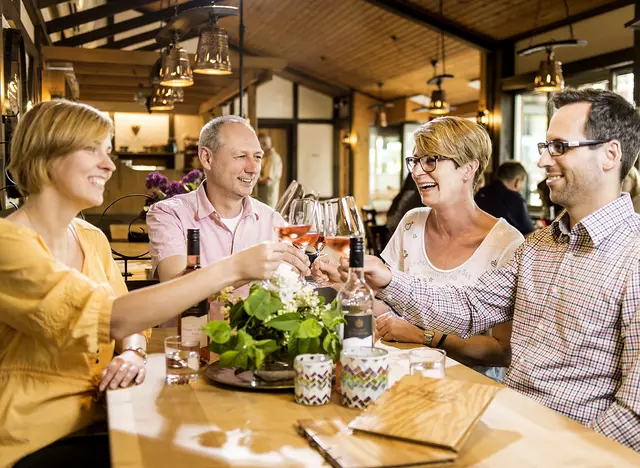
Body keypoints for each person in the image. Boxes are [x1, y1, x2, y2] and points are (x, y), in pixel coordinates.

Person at [0, 100, 308, 467]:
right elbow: (113, 316)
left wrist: (131, 350)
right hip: (36, 440)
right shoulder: (8, 244)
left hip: (106, 417)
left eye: (108, 152)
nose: (109, 165)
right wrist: (236, 267)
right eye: (91, 150)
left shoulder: (90, 238)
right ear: (45, 155)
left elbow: (130, 324)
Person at [344, 89, 640, 450]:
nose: (543, 161)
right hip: (499, 424)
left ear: (610, 154)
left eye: (559, 147)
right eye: (544, 148)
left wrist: (557, 453)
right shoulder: (538, 246)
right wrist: (387, 278)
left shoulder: (634, 256)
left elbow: (633, 414)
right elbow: (468, 310)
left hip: (563, 451)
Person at [315, 117, 524, 382]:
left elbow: (502, 352)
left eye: (431, 160)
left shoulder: (508, 244)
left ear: (469, 168)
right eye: (415, 161)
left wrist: (425, 337)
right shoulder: (412, 222)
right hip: (401, 372)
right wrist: (345, 286)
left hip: (469, 387)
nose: (416, 172)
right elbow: (387, 311)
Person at [147, 117, 307, 321]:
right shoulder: (170, 214)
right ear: (207, 158)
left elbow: (290, 290)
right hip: (191, 345)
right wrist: (242, 268)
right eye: (241, 156)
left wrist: (310, 270)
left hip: (256, 349)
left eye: (257, 157)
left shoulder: (272, 220)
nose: (253, 168)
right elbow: (174, 295)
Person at [475, 161, 535, 235]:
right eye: (523, 182)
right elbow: (529, 233)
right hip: (501, 244)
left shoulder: (481, 192)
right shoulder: (515, 199)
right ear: (518, 182)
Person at [256, 133, 283, 208]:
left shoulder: (273, 158)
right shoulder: (264, 157)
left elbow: (266, 180)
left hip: (267, 199)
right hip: (262, 199)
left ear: (263, 144)